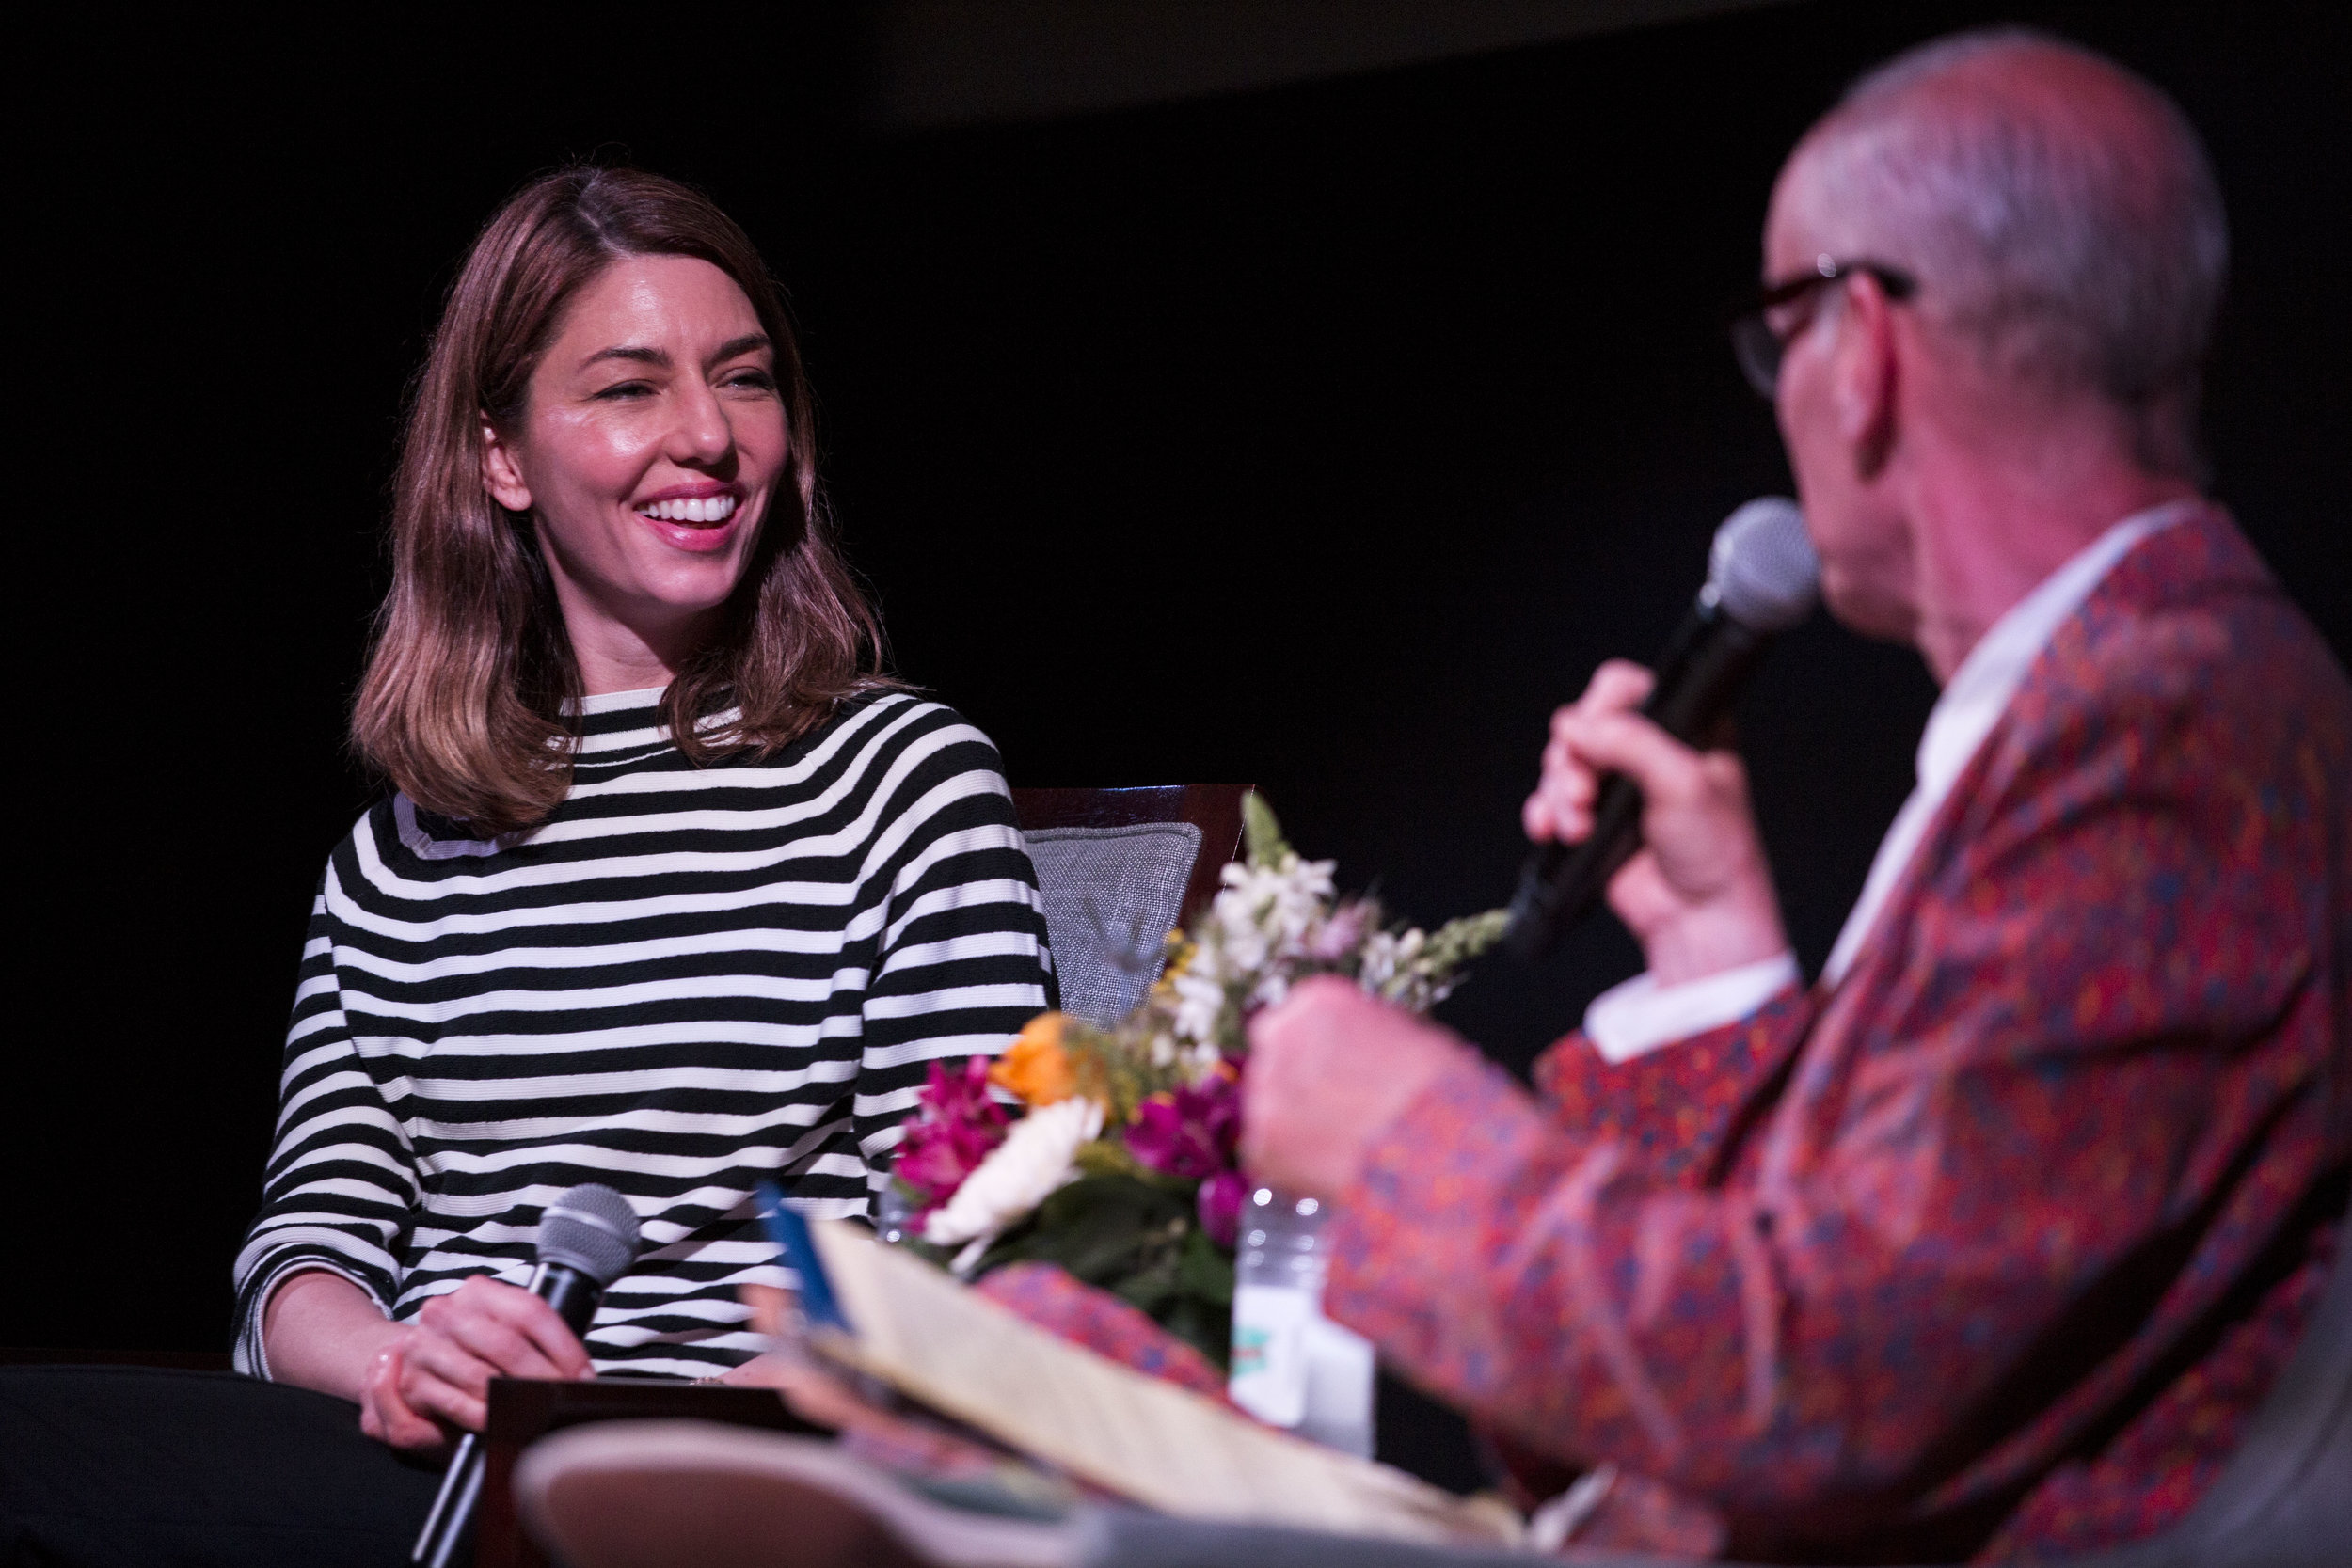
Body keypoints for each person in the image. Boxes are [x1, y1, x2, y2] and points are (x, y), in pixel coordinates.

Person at [1240, 28, 2349, 1562]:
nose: (1783, 396)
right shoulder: (2130, 689)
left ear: (1866, 342)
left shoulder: (2165, 726)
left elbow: (1825, 1391)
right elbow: (1895, 1278)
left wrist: (1403, 1137)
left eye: (1782, 331)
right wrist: (1718, 973)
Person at [1, 166, 1054, 1565]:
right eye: (629, 388)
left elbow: (992, 1233)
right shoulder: (398, 854)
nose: (706, 435)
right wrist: (393, 1360)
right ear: (501, 455)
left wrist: (779, 1396)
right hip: (429, 1464)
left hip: (733, 1462)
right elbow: (303, 1254)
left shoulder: (896, 777)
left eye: (743, 381)